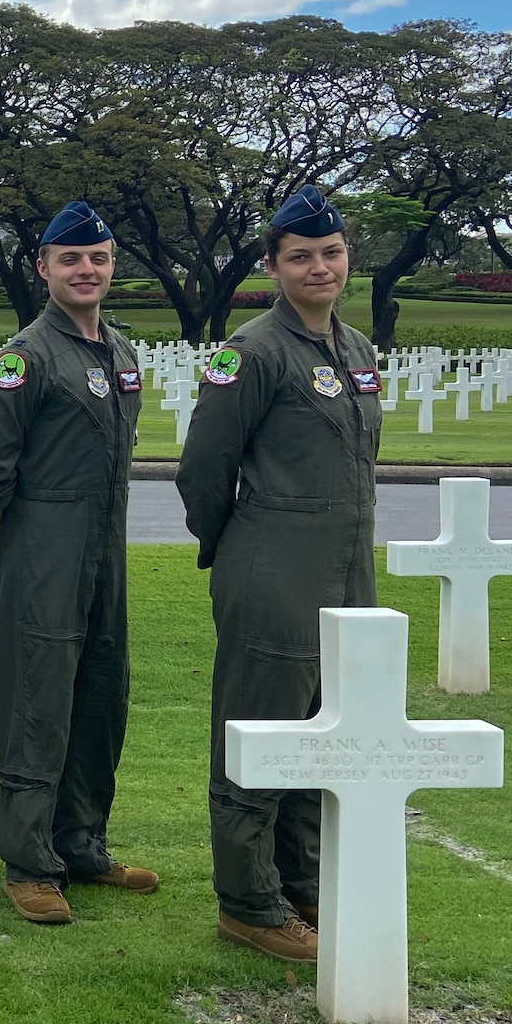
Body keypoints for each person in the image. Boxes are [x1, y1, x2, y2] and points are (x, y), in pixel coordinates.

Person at [176, 184, 379, 965]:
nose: (319, 266)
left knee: (326, 738)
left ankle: (304, 889)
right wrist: (236, 546)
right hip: (274, 568)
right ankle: (249, 902)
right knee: (261, 736)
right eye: (301, 256)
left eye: (330, 253)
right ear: (273, 266)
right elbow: (203, 468)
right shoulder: (252, 352)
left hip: (349, 572)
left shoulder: (356, 350)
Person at [0, 202, 157, 926]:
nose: (87, 270)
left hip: (107, 549)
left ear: (112, 265)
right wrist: (25, 547)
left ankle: (81, 844)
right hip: (43, 549)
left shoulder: (122, 354)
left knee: (102, 695)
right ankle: (30, 861)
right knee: (37, 701)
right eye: (70, 259)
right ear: (43, 268)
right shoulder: (25, 358)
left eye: (98, 258)